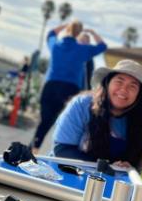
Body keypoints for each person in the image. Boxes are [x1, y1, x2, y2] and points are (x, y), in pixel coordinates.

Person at [52, 59, 142, 170]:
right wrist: (105, 168)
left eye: (132, 86)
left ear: (139, 95)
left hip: (109, 183)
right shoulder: (82, 105)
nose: (124, 90)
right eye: (119, 81)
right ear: (107, 83)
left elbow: (135, 166)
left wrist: (127, 168)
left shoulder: (138, 123)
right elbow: (62, 150)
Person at [31, 21, 106, 152]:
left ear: (68, 30)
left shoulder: (56, 45)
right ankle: (60, 153)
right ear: (78, 34)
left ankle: (34, 148)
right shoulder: (83, 50)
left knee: (45, 121)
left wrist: (65, 26)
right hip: (70, 90)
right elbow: (102, 46)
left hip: (51, 87)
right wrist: (92, 32)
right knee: (67, 124)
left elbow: (50, 33)